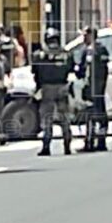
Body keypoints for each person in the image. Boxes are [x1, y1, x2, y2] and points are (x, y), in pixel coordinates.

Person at [32, 27, 74, 156]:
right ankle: (67, 145)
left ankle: (46, 146)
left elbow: (35, 72)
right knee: (64, 117)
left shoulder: (40, 55)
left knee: (47, 118)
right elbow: (71, 69)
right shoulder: (66, 54)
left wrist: (38, 87)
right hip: (62, 86)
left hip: (47, 88)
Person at [75, 27, 110, 152]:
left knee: (92, 114)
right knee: (99, 113)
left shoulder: (92, 50)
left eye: (85, 35)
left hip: (93, 86)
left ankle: (91, 141)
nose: (84, 38)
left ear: (91, 35)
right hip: (97, 85)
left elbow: (87, 69)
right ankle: (100, 140)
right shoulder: (100, 49)